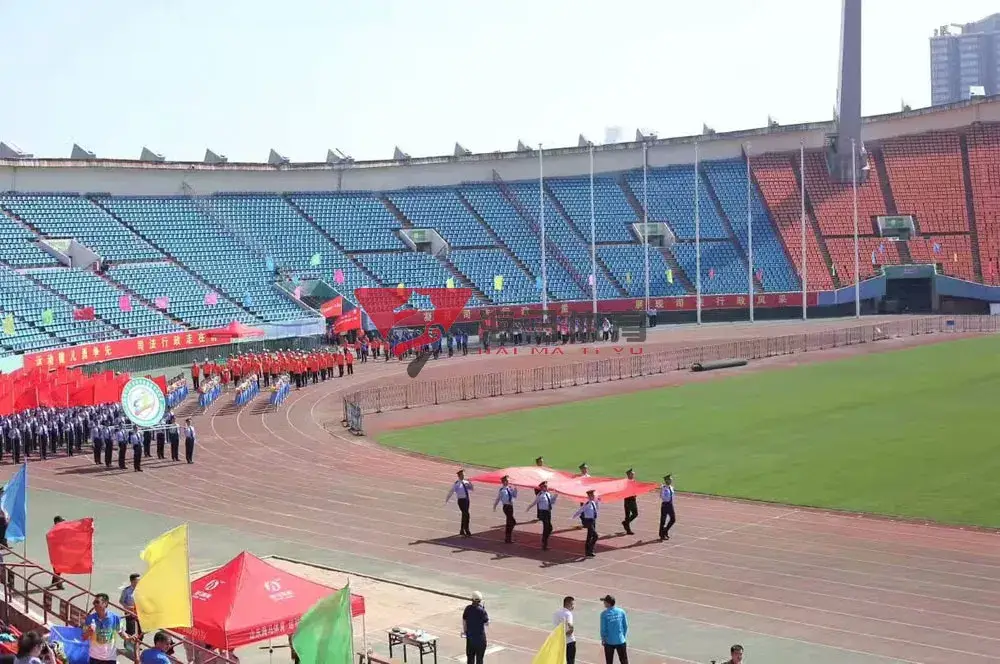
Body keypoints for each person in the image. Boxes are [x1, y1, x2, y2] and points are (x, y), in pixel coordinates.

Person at [83, 592, 129, 664]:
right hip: (94, 657)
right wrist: (89, 632)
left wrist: (128, 638)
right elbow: (84, 637)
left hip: (110, 657)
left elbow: (121, 633)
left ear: (105, 604)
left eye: (97, 602)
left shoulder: (115, 618)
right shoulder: (89, 619)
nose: (94, 604)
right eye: (94, 602)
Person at [526, 480, 556, 550]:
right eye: (545, 486)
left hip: (548, 512)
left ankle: (544, 540)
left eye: (546, 486)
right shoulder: (540, 495)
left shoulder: (548, 494)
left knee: (550, 528)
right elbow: (535, 502)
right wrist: (529, 507)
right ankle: (544, 544)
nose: (546, 487)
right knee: (546, 527)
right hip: (543, 513)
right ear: (542, 487)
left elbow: (551, 502)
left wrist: (556, 496)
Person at [599, 595, 628, 664]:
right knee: (624, 661)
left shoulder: (604, 614)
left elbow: (603, 629)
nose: (604, 603)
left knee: (609, 661)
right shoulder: (621, 611)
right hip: (620, 640)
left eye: (605, 602)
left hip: (609, 642)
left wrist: (603, 639)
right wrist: (622, 636)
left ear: (608, 603)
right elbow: (625, 626)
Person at [461, 591, 489, 664]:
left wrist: (465, 632)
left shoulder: (467, 609)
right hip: (480, 640)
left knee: (470, 659)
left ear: (472, 599)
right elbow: (486, 623)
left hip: (470, 639)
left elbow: (464, 621)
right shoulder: (482, 611)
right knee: (479, 660)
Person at [445, 469, 474, 538]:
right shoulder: (457, 484)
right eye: (462, 475)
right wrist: (447, 499)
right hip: (461, 501)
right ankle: (466, 529)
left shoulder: (466, 482)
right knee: (466, 514)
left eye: (463, 475)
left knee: (465, 514)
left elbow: (472, 489)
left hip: (467, 500)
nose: (463, 476)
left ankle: (462, 530)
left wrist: (470, 483)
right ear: (459, 476)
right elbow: (451, 491)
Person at [572, 490, 599, 557]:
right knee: (595, 536)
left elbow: (596, 510)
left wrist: (598, 501)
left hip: (593, 520)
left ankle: (588, 552)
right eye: (592, 495)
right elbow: (581, 510)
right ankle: (590, 549)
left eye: (593, 495)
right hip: (588, 521)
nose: (593, 496)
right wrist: (574, 516)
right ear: (589, 496)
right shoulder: (587, 504)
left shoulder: (593, 502)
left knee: (589, 536)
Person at [492, 476, 518, 544]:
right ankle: (508, 538)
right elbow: (498, 498)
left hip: (511, 506)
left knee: (511, 522)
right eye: (506, 481)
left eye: (508, 480)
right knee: (511, 522)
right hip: (506, 507)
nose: (508, 482)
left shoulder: (510, 488)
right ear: (503, 482)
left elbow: (514, 496)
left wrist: (515, 489)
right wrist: (494, 506)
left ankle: (508, 537)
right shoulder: (502, 490)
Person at [553, 596, 575, 664]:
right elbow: (570, 627)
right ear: (568, 604)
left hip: (559, 642)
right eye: (572, 604)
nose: (573, 606)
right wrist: (571, 630)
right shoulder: (568, 614)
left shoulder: (556, 613)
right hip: (569, 642)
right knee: (570, 661)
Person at [47, 516, 66, 590]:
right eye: (60, 521)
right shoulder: (55, 530)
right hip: (56, 553)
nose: (62, 522)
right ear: (57, 522)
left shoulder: (58, 529)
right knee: (58, 569)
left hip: (59, 552)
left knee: (58, 569)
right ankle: (58, 584)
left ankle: (55, 582)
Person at [120, 573, 141, 638]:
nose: (139, 582)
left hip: (139, 612)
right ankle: (129, 642)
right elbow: (121, 601)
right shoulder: (126, 591)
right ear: (132, 581)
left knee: (140, 631)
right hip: (129, 612)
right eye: (137, 580)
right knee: (130, 631)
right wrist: (127, 607)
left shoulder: (141, 590)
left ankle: (139, 642)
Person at [659, 474, 676, 541]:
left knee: (673, 519)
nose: (671, 480)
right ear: (666, 480)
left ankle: (665, 530)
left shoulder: (671, 487)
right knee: (663, 521)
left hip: (670, 505)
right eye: (670, 479)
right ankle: (661, 535)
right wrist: (666, 499)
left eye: (671, 479)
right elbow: (661, 496)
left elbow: (672, 496)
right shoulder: (664, 488)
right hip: (665, 505)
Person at [622, 469, 638, 536]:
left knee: (635, 514)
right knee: (627, 515)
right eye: (632, 474)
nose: (633, 475)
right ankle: (628, 530)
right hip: (628, 500)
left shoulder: (633, 481)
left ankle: (625, 523)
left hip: (633, 499)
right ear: (629, 475)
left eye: (633, 474)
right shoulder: (626, 482)